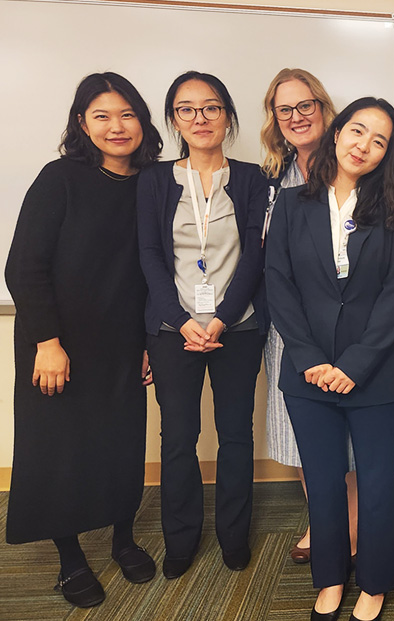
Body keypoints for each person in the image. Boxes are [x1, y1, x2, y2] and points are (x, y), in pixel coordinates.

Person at [5, 72, 161, 607]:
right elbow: (23, 267)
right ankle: (70, 559)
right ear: (81, 123)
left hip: (123, 342)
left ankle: (122, 539)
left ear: (142, 120)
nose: (117, 127)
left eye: (127, 114)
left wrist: (149, 338)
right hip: (58, 345)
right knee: (61, 450)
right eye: (102, 116)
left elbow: (156, 270)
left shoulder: (153, 183)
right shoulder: (59, 178)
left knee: (120, 445)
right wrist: (47, 341)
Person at [266, 97, 394, 621]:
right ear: (336, 133)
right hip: (307, 375)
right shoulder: (293, 205)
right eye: (357, 131)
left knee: (376, 485)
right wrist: (310, 360)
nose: (364, 146)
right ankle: (330, 580)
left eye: (379, 141)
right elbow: (277, 285)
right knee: (323, 483)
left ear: (387, 154)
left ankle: (373, 585)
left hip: (373, 373)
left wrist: (353, 364)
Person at [137, 71, 268, 580]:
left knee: (236, 435)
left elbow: (256, 257)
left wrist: (222, 318)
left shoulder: (253, 178)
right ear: (174, 119)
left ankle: (234, 538)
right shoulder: (154, 179)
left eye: (211, 107)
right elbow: (148, 255)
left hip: (237, 327)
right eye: (187, 109)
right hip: (173, 331)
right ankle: (181, 540)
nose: (200, 118)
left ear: (228, 115)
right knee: (179, 437)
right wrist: (180, 319)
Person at [259, 68, 358, 566]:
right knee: (303, 435)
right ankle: (323, 520)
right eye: (285, 109)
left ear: (324, 107)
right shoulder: (271, 179)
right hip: (288, 329)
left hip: (345, 329)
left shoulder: (354, 165)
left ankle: (355, 528)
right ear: (275, 120)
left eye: (306, 105)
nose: (297, 117)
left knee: (350, 440)